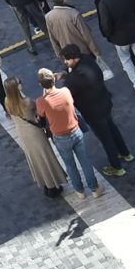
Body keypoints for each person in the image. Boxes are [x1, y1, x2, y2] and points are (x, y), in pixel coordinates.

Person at [59, 44, 132, 175]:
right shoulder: (87, 59)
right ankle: (125, 153)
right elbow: (71, 72)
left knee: (105, 138)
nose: (65, 62)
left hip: (92, 112)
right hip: (104, 102)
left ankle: (117, 167)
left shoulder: (75, 78)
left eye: (66, 60)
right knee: (112, 128)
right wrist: (64, 73)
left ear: (74, 58)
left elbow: (65, 93)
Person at [35, 67, 102, 198]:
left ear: (40, 85)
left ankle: (80, 191)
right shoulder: (65, 91)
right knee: (85, 161)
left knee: (70, 165)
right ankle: (94, 188)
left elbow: (41, 115)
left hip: (60, 137)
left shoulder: (41, 101)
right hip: (75, 131)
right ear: (54, 79)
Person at [2, 75, 67, 198]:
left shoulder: (7, 101)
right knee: (45, 157)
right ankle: (53, 185)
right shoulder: (27, 102)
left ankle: (46, 184)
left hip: (22, 133)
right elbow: (39, 111)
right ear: (16, 88)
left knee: (36, 159)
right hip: (35, 133)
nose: (22, 83)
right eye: (19, 82)